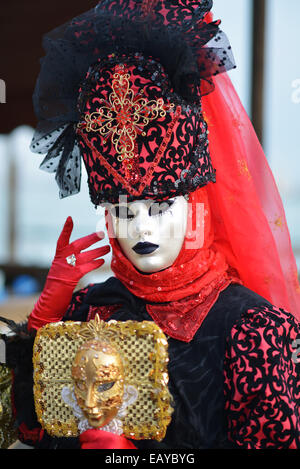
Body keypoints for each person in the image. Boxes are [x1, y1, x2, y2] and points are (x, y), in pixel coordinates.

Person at [3, 0, 300, 449]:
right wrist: (44, 320)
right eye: (122, 211)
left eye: (160, 207)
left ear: (196, 205)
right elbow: (30, 430)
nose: (141, 228)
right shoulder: (87, 312)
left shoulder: (252, 329)